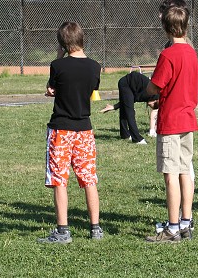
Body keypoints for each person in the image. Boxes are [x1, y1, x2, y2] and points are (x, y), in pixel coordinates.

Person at [38, 21, 103, 244]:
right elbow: (90, 87)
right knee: (89, 178)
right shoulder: (95, 67)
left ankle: (63, 230)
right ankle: (95, 228)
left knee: (59, 179)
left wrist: (59, 55)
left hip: (61, 129)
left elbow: (52, 87)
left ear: (63, 44)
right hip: (84, 129)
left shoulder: (57, 66)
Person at [145, 0, 198, 243]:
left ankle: (173, 227)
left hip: (170, 121)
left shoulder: (167, 54)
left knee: (170, 174)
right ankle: (186, 222)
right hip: (187, 119)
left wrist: (151, 94)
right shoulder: (191, 52)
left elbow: (154, 86)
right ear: (186, 26)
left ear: (166, 29)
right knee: (185, 170)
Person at [99, 71, 159, 144]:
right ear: (155, 101)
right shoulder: (149, 95)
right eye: (152, 106)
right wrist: (115, 107)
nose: (150, 106)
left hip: (128, 84)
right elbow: (130, 101)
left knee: (125, 109)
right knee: (130, 113)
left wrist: (114, 107)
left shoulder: (153, 95)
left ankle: (125, 134)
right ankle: (137, 139)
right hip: (126, 84)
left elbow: (128, 101)